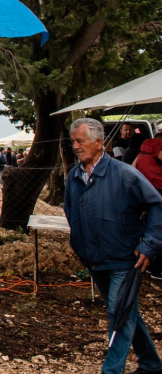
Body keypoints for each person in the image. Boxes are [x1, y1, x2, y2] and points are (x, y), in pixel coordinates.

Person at [64, 118, 162, 374]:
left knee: (119, 312)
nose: (75, 146)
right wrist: (80, 242)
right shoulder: (74, 176)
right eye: (73, 141)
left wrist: (149, 245)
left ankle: (111, 370)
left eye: (80, 141)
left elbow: (157, 206)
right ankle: (151, 363)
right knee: (124, 311)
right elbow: (70, 210)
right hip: (95, 258)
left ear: (99, 142)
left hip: (124, 258)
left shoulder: (125, 173)